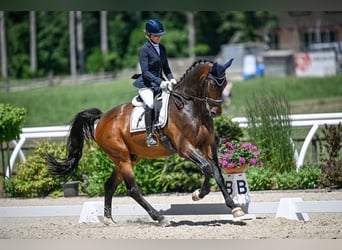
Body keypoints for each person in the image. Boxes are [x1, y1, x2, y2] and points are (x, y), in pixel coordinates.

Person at [133, 19, 177, 147]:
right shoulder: (144, 50)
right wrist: (160, 82)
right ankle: (150, 135)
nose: (158, 37)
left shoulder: (162, 48)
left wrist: (171, 78)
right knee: (151, 104)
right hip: (146, 85)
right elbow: (145, 72)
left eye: (160, 35)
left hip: (160, 83)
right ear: (148, 35)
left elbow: (166, 68)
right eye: (156, 35)